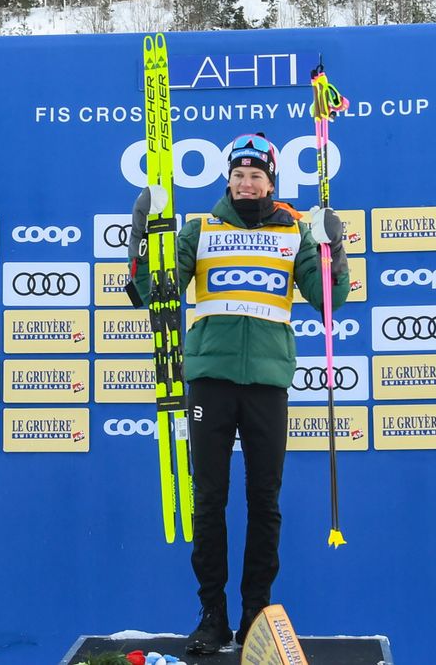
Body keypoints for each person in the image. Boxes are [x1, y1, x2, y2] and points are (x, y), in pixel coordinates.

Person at [126, 133, 350, 654]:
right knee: (210, 498)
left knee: (263, 499)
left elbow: (330, 300)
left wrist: (333, 246)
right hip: (209, 377)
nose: (246, 183)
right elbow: (146, 292)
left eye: (257, 176)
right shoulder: (199, 228)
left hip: (268, 380)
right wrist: (140, 230)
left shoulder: (294, 231)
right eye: (238, 175)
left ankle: (255, 615)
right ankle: (211, 614)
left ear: (272, 181)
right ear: (227, 179)